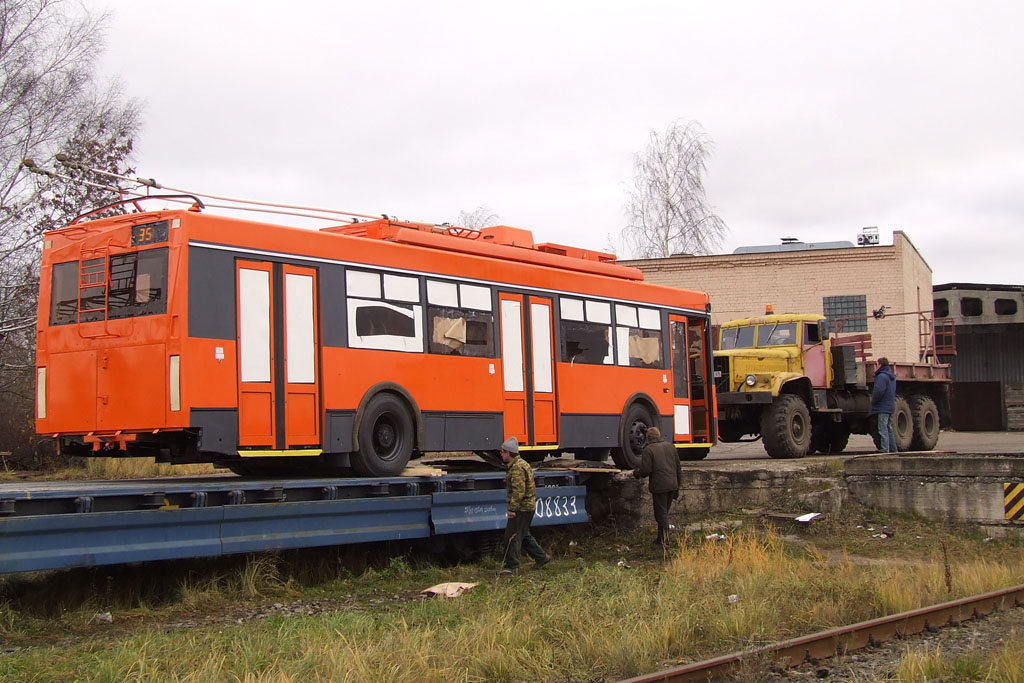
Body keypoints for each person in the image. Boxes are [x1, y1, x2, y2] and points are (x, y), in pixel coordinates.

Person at [499, 436, 551, 574]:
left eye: (502, 452)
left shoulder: (516, 468)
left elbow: (518, 491)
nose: (501, 454)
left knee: (512, 536)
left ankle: (512, 566)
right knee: (524, 534)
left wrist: (512, 509)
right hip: (528, 507)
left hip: (522, 508)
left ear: (509, 453)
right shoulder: (522, 464)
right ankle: (542, 557)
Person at [633, 426, 682, 547]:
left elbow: (646, 470)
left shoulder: (649, 450)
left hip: (660, 486)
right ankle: (660, 539)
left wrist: (637, 473)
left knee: (661, 514)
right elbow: (678, 468)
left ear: (648, 437)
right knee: (664, 512)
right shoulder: (671, 446)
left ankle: (664, 541)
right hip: (672, 484)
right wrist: (678, 487)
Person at [870, 357, 899, 453]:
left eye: (877, 364)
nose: (876, 367)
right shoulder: (891, 377)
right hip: (890, 406)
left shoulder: (881, 377)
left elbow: (879, 391)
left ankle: (885, 449)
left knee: (882, 428)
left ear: (880, 365)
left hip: (882, 407)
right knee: (889, 428)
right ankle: (893, 450)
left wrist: (873, 402)